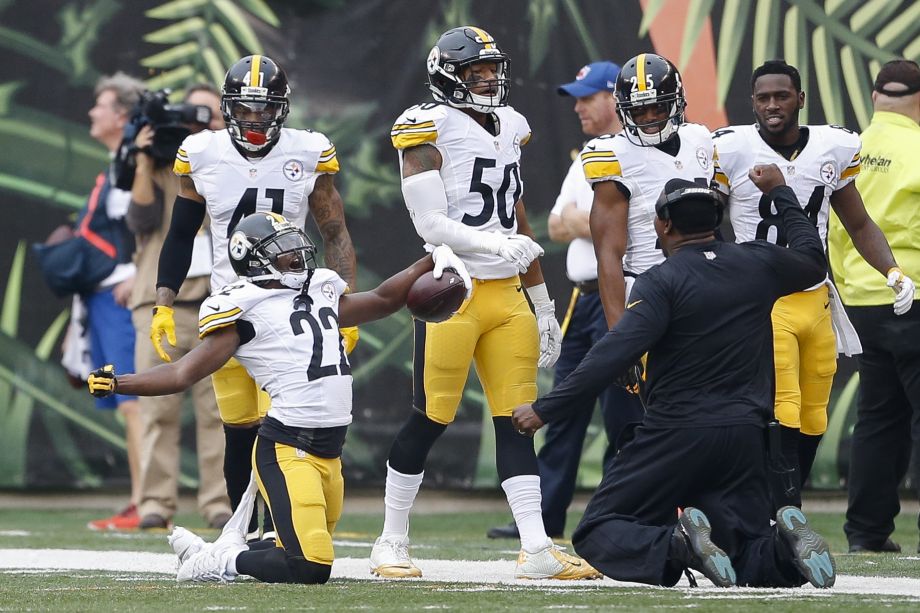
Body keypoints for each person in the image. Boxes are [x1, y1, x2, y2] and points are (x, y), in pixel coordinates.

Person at [87, 212, 471, 584]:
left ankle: (212, 553)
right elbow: (181, 372)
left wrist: (431, 259)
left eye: (295, 244)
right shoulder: (242, 311)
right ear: (255, 260)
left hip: (330, 453)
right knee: (310, 566)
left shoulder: (319, 290)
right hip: (288, 446)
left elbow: (386, 299)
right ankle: (221, 560)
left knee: (289, 543)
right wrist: (122, 382)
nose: (298, 254)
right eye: (282, 248)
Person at [513, 168, 836, 589]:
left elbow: (612, 353)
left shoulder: (661, 281)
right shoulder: (758, 262)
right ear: (716, 221)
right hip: (746, 435)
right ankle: (783, 550)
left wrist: (544, 409)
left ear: (663, 224)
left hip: (675, 433)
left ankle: (680, 544)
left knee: (598, 530)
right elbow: (814, 258)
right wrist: (780, 193)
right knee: (744, 550)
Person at [369, 26, 599, 581]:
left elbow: (516, 217)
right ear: (449, 76)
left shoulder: (512, 126)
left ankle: (537, 548)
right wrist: (497, 244)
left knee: (518, 422)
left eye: (493, 69)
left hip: (508, 292)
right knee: (432, 417)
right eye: (477, 72)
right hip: (455, 289)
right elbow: (429, 222)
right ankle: (390, 540)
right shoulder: (426, 127)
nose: (490, 79)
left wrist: (542, 298)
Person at [151, 55, 357, 540]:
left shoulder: (308, 152)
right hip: (231, 306)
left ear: (282, 110)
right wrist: (164, 301)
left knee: (278, 424)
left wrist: (344, 309)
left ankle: (276, 529)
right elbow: (181, 235)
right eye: (245, 110)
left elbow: (335, 232)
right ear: (229, 109)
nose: (255, 119)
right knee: (238, 429)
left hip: (289, 308)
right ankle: (241, 532)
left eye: (265, 110)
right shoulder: (201, 153)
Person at [713, 60, 913, 510]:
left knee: (813, 414)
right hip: (762, 299)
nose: (772, 105)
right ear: (752, 102)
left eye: (781, 95)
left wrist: (893, 271)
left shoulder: (834, 146)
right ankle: (782, 512)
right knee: (781, 407)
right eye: (763, 97)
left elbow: (859, 223)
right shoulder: (731, 148)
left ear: (800, 99)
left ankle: (784, 499)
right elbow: (707, 223)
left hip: (817, 297)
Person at [487, 61, 644, 541]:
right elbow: (557, 224)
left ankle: (628, 509)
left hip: (626, 295)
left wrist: (594, 219)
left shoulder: (635, 152)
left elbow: (622, 221)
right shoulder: (589, 156)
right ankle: (543, 515)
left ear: (615, 99)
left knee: (625, 409)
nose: (578, 108)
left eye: (587, 97)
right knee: (561, 407)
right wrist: (599, 219)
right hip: (583, 298)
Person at [126, 84, 231, 530]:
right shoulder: (164, 161)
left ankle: (219, 502)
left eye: (209, 115)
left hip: (219, 304)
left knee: (221, 410)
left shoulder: (234, 165)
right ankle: (154, 502)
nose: (198, 123)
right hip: (160, 302)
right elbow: (140, 220)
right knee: (156, 409)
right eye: (189, 115)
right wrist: (144, 159)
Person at [828, 59, 920, 554]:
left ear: (874, 98)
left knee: (878, 418)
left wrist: (851, 285)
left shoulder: (852, 150)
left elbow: (839, 230)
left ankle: (866, 534)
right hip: (914, 296)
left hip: (863, 299)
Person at [583, 53, 727, 328]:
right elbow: (609, 254)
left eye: (658, 107)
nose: (649, 117)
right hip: (651, 289)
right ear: (624, 111)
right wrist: (618, 335)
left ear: (676, 102)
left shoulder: (700, 139)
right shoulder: (614, 154)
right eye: (638, 110)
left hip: (708, 284)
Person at [82, 72, 147, 531]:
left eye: (100, 105)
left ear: (121, 115)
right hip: (108, 294)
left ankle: (145, 501)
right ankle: (140, 498)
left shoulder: (133, 160)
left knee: (131, 398)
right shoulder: (116, 161)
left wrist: (138, 274)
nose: (91, 112)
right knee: (121, 398)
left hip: (126, 293)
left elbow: (147, 222)